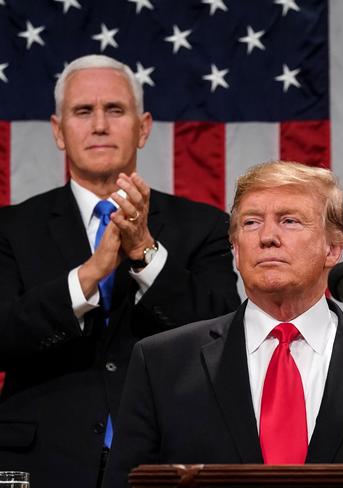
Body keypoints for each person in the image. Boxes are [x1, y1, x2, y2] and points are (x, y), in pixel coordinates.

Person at [103, 160, 343, 487]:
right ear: (235, 247)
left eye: (289, 220)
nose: (267, 236)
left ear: (333, 249)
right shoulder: (162, 363)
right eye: (251, 222)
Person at [0, 55, 240, 487]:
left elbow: (226, 335)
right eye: (82, 111)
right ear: (58, 131)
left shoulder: (202, 226)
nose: (99, 125)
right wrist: (88, 275)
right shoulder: (11, 229)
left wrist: (145, 252)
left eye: (114, 110)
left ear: (143, 127)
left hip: (165, 461)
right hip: (42, 463)